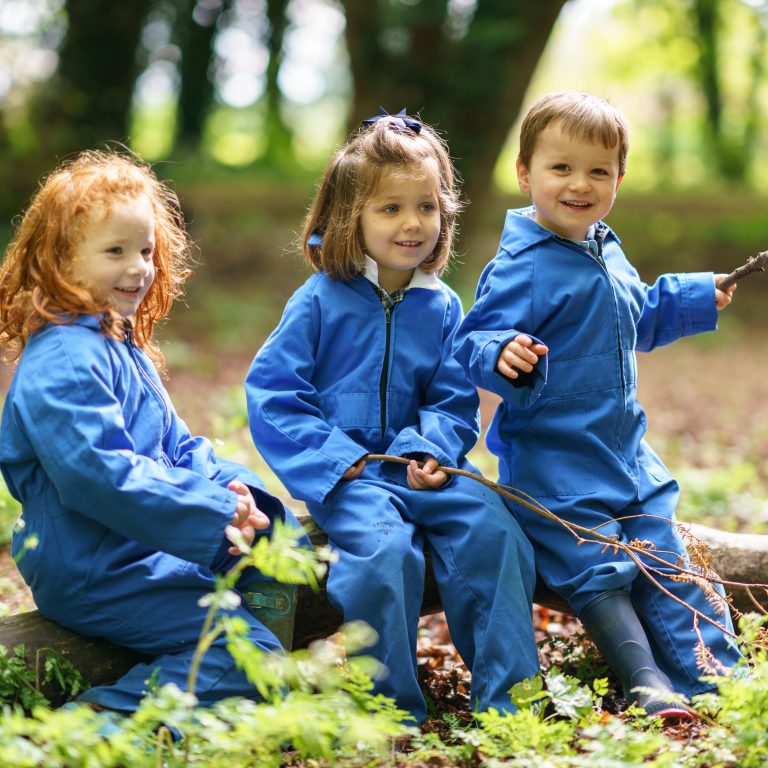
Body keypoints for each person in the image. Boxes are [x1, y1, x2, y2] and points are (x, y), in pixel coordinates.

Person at [453, 91, 743, 720]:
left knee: (663, 552)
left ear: (618, 179)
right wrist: (501, 351)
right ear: (525, 173)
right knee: (596, 563)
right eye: (561, 168)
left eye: (598, 171)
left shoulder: (606, 249)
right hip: (554, 456)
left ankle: (718, 677)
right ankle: (644, 681)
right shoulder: (521, 265)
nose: (579, 184)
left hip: (622, 449)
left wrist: (694, 299)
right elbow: (472, 338)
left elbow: (636, 316)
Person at [245, 110, 540, 723]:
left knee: (493, 529)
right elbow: (274, 392)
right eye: (390, 209)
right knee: (385, 557)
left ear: (445, 214)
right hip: (351, 476)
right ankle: (393, 710)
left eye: (426, 207)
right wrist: (339, 462)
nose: (412, 224)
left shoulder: (440, 304)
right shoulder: (320, 300)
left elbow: (453, 393)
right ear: (349, 217)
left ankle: (511, 704)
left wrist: (432, 450)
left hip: (421, 467)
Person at [0, 149, 307, 716]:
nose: (139, 267)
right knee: (248, 657)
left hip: (139, 542)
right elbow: (102, 477)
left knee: (285, 553)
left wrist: (242, 496)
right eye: (115, 251)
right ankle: (94, 729)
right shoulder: (65, 360)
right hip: (93, 562)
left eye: (145, 250)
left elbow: (177, 447)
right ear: (60, 261)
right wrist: (214, 512)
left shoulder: (115, 341)